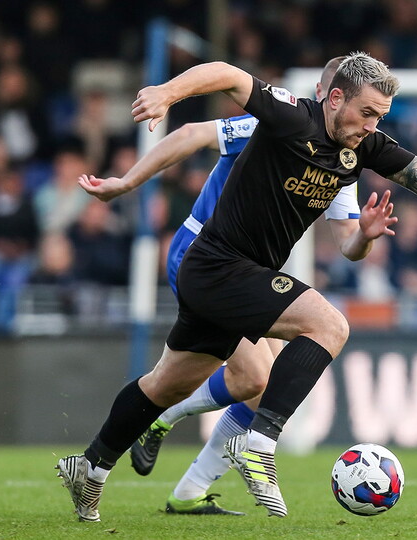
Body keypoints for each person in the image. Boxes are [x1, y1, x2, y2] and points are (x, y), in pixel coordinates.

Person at [57, 51, 417, 522]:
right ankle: (259, 443)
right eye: (366, 112)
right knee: (329, 326)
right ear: (335, 98)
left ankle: (90, 467)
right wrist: (165, 94)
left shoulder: (362, 148)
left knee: (164, 386)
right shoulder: (289, 116)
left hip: (231, 275)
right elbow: (226, 75)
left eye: (380, 117)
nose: (371, 125)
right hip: (218, 263)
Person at [77, 58, 345, 516]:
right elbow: (192, 134)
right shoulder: (280, 123)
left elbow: (349, 238)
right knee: (256, 377)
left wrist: (366, 237)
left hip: (250, 269)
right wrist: (127, 182)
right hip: (203, 252)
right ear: (325, 95)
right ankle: (161, 423)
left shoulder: (343, 158)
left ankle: (187, 489)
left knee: (259, 384)